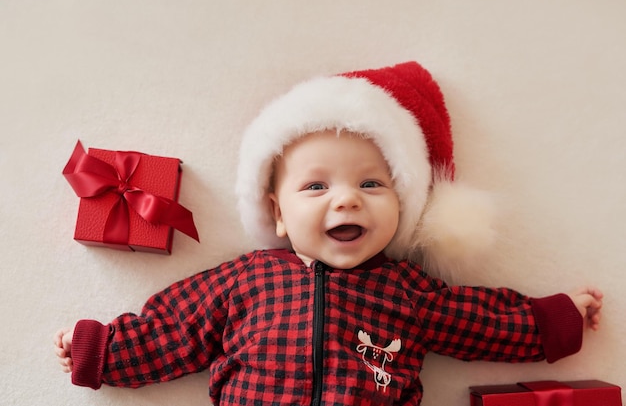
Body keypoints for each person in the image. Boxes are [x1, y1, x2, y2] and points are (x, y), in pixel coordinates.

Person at [54, 62, 603, 406]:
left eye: (371, 183)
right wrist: (103, 351)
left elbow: (480, 322)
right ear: (277, 214)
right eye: (315, 187)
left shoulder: (405, 290)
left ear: (403, 208)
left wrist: (556, 319)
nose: (347, 199)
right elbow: (176, 330)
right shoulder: (247, 280)